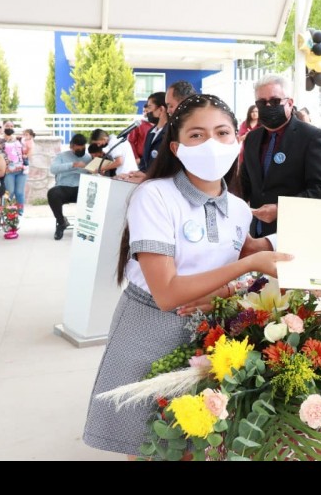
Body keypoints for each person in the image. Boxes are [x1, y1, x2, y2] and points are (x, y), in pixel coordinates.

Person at [82, 93, 290, 458]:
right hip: (150, 330)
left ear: (237, 141)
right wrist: (248, 267)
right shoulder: (155, 196)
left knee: (199, 438)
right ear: (176, 148)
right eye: (197, 135)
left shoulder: (239, 209)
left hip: (209, 334)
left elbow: (249, 253)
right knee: (149, 444)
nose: (212, 144)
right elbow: (167, 293)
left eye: (222, 133)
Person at [240, 74, 321, 238]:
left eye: (275, 101)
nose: (268, 106)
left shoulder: (312, 137)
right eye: (262, 103)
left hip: (297, 233)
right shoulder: (251, 139)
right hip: (257, 233)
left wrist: (281, 209)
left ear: (290, 103)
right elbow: (245, 184)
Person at [47, 134, 91, 240]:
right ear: (71, 147)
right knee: (52, 193)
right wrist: (72, 165)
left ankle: (87, 227)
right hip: (64, 187)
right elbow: (53, 169)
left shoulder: (88, 157)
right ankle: (61, 222)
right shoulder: (62, 156)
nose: (81, 151)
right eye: (78, 149)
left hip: (82, 187)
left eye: (83, 148)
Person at [120, 91, 167, 181]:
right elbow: (144, 164)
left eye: (149, 107)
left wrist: (147, 177)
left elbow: (167, 168)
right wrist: (133, 175)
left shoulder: (171, 133)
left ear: (161, 110)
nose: (146, 111)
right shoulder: (150, 132)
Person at [0, 120, 27, 214]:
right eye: (7, 126)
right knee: (9, 192)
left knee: (19, 192)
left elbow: (26, 151)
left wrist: (25, 157)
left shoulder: (18, 139)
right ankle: (7, 212)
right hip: (9, 170)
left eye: (11, 126)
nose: (9, 128)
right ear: (3, 127)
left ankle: (20, 213)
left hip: (21, 170)